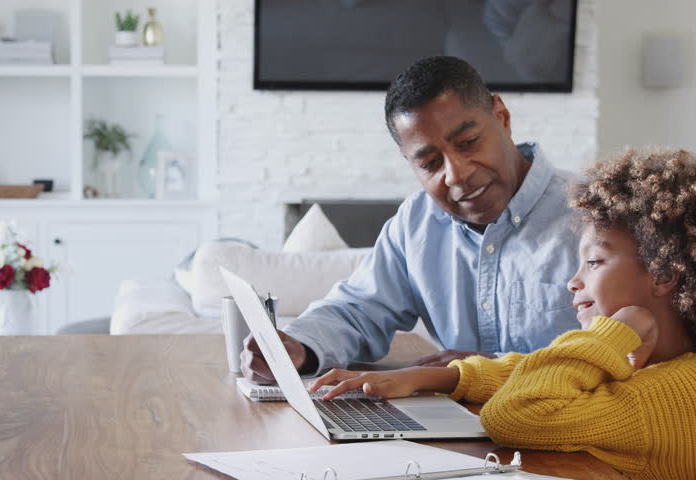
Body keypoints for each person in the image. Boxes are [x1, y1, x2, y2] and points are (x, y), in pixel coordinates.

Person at [311, 146, 696, 479]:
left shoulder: (672, 398)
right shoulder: (676, 365)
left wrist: (611, 332)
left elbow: (518, 414)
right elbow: (542, 374)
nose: (574, 280)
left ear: (664, 275)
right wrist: (438, 376)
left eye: (594, 262)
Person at [241, 56, 581, 384]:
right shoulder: (417, 223)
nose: (456, 175)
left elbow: (627, 354)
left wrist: (488, 371)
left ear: (502, 118)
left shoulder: (598, 215)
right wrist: (298, 348)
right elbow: (359, 309)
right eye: (430, 163)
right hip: (455, 431)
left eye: (469, 142)